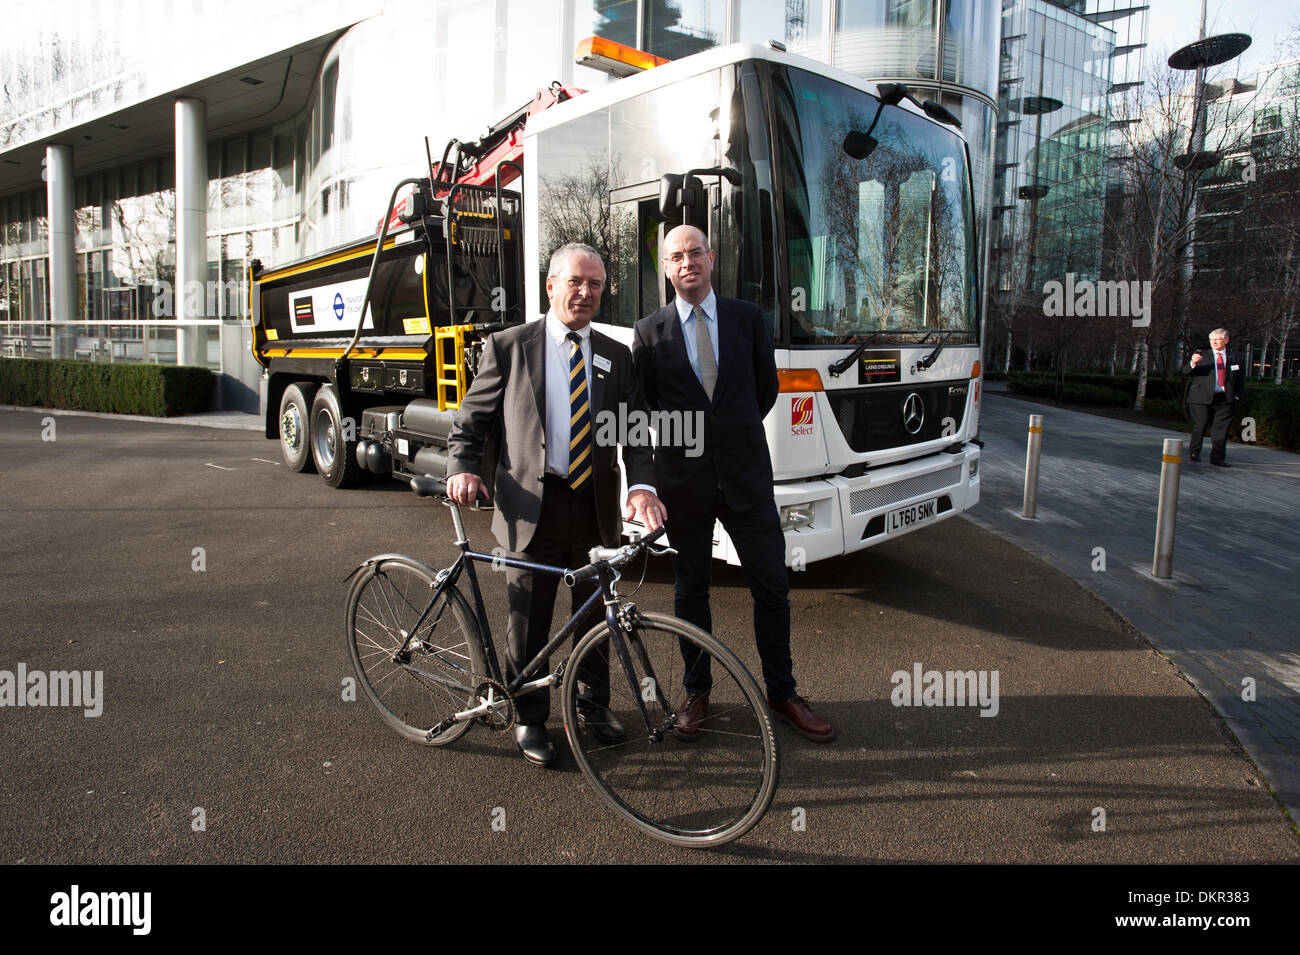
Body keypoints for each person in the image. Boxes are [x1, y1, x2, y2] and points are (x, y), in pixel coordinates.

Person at [446, 242, 665, 766]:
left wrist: (642, 486)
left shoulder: (616, 355)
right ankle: (529, 715)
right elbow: (470, 421)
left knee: (593, 615)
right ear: (551, 286)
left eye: (594, 284)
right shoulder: (510, 346)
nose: (585, 293)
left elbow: (634, 435)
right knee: (529, 617)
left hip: (592, 507)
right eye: (575, 282)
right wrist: (464, 468)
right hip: (530, 506)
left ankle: (591, 704)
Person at [631, 224, 834, 742]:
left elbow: (764, 391)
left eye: (695, 252)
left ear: (712, 258)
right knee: (690, 590)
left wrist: (729, 433)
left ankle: (782, 692)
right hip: (685, 483)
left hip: (746, 479)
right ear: (667, 268)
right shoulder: (649, 332)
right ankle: (697, 693)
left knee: (772, 587)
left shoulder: (748, 319)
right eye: (675, 256)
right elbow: (645, 406)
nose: (686, 262)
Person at [1183, 327, 1244, 468]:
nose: (1214, 342)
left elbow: (1240, 380)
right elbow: (1186, 372)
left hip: (1224, 399)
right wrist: (1193, 363)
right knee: (1201, 426)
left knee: (1221, 430)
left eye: (1218, 339)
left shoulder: (1235, 357)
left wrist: (1236, 397)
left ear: (1226, 340)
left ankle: (1218, 458)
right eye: (1212, 340)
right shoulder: (1202, 355)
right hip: (1201, 398)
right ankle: (1194, 453)